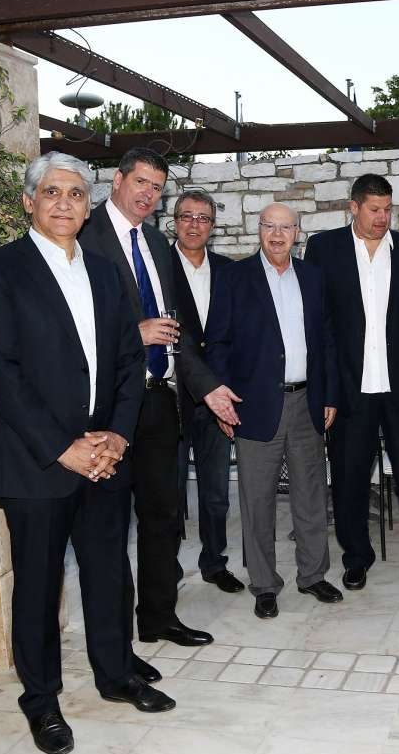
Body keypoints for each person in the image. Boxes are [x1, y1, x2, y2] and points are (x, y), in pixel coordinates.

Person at [0, 153, 174, 754]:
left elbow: (128, 360)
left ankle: (115, 674)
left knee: (108, 569)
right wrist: (61, 447)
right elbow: (0, 371)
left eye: (74, 194)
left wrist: (118, 435)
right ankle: (41, 700)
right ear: (29, 202)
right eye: (51, 192)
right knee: (39, 586)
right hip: (38, 460)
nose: (64, 203)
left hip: (105, 455)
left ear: (88, 206)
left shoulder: (105, 272)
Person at [78, 148, 235, 655]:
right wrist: (134, 333)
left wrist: (207, 387)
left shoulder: (154, 243)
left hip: (162, 401)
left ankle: (159, 618)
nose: (148, 194)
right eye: (141, 182)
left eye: (157, 188)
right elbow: (72, 325)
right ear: (117, 180)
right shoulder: (83, 234)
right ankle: (115, 643)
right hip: (110, 408)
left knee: (163, 517)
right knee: (108, 529)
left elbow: (174, 330)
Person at [305, 173, 399, 592]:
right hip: (349, 389)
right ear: (353, 207)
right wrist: (326, 387)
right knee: (349, 478)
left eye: (387, 209)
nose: (382, 217)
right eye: (373, 210)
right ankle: (356, 558)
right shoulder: (324, 249)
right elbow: (318, 322)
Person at [204, 203, 342, 619]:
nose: (277, 235)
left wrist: (330, 395)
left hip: (307, 402)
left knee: (311, 495)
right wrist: (222, 401)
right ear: (258, 229)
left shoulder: (313, 277)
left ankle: (313, 575)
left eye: (285, 227)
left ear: (297, 232)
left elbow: (328, 340)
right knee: (257, 500)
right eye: (269, 226)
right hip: (253, 406)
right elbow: (218, 343)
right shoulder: (234, 277)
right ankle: (264, 584)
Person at [167, 190, 242, 595]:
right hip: (172, 400)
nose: (194, 225)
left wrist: (227, 394)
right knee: (170, 492)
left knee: (216, 493)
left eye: (203, 218)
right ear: (174, 222)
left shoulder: (229, 272)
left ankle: (215, 562)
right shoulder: (159, 268)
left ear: (213, 226)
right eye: (187, 217)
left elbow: (238, 337)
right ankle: (168, 566)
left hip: (218, 400)